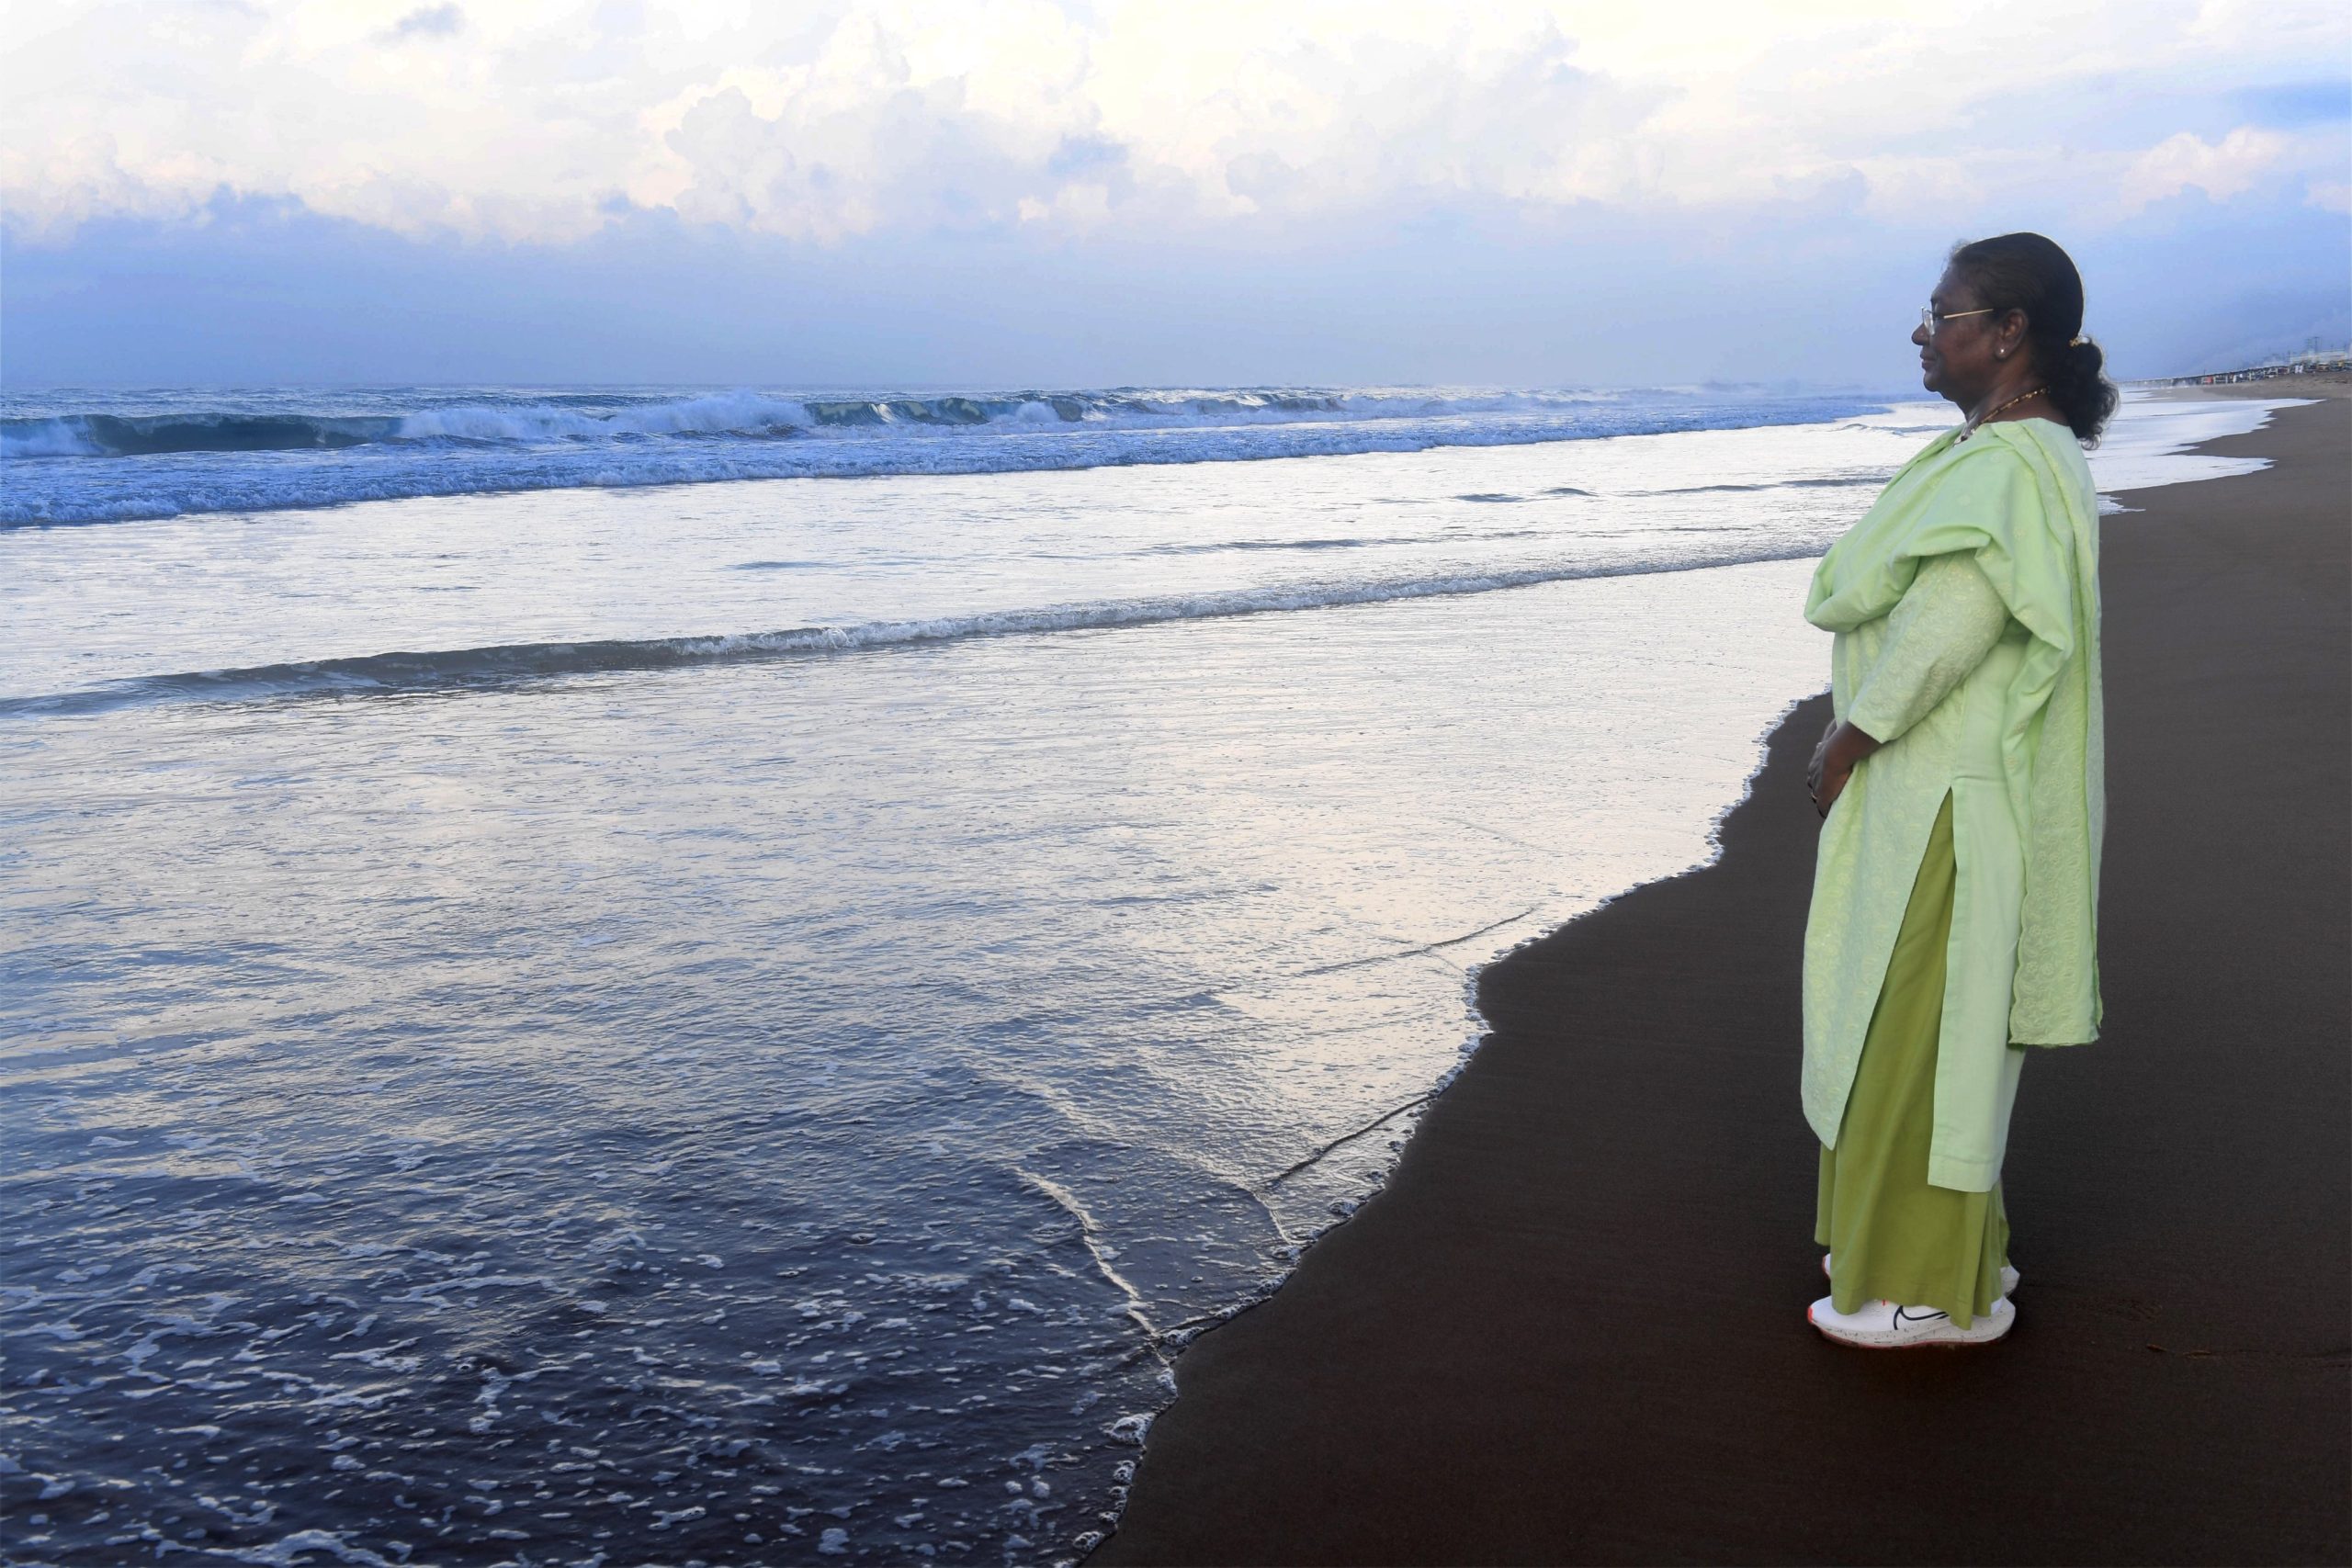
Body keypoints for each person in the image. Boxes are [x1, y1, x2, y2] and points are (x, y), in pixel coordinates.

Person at [1800, 232, 2115, 1348]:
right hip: (1941, 781)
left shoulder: (2006, 465)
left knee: (1918, 1035)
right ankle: (1940, 1251)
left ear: (2007, 331)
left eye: (1943, 313)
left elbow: (1955, 620)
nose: (1925, 334)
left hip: (1950, 792)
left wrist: (1851, 735)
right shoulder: (2021, 452)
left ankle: (1928, 1290)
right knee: (1918, 1025)